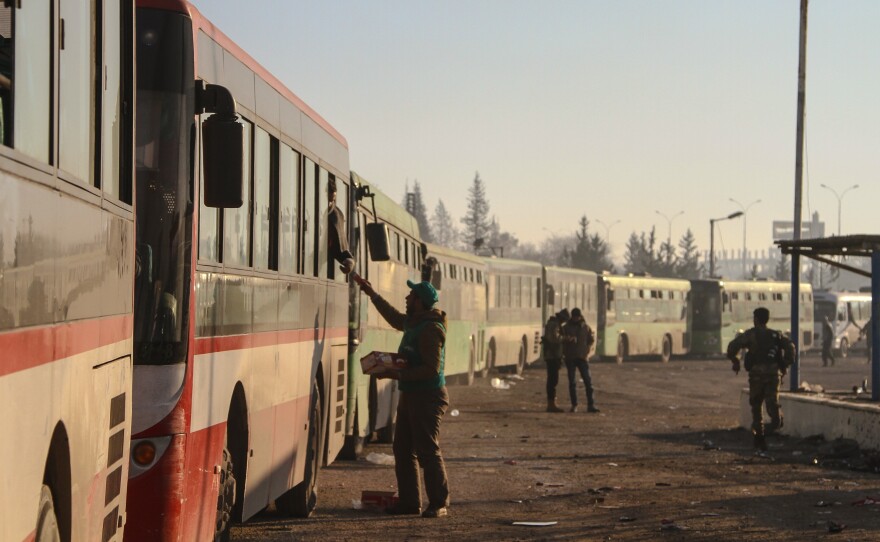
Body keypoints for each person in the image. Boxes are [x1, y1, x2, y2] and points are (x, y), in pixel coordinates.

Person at [357, 278, 450, 518]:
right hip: (411, 394)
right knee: (403, 449)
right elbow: (393, 317)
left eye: (411, 296)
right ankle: (410, 503)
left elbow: (431, 369)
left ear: (420, 302)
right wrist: (372, 294)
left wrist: (395, 373)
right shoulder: (415, 322)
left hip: (428, 396)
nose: (407, 298)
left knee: (427, 450)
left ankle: (439, 503)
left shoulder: (430, 329)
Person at [726, 307, 795, 452]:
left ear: (756, 319)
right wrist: (785, 364)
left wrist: (735, 361)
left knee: (756, 407)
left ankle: (760, 436)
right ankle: (765, 433)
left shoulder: (751, 335)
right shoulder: (775, 335)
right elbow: (790, 346)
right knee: (772, 406)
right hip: (773, 376)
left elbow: (732, 346)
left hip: (757, 376)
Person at [562, 307, 599, 413]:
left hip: (582, 358)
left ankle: (591, 405)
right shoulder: (566, 328)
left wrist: (587, 349)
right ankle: (574, 405)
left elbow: (591, 340)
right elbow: (562, 341)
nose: (575, 319)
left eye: (577, 317)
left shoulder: (585, 327)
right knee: (572, 382)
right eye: (574, 317)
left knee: (588, 382)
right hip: (570, 358)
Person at [542, 309, 570, 413]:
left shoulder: (554, 324)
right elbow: (554, 339)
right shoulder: (554, 325)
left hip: (554, 356)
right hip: (552, 356)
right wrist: (565, 338)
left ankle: (552, 403)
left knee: (553, 380)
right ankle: (551, 404)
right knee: (552, 380)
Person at [327, 177, 355, 277]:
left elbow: (341, 250)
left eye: (332, 201)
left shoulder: (335, 216)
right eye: (328, 200)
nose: (329, 204)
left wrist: (349, 262)